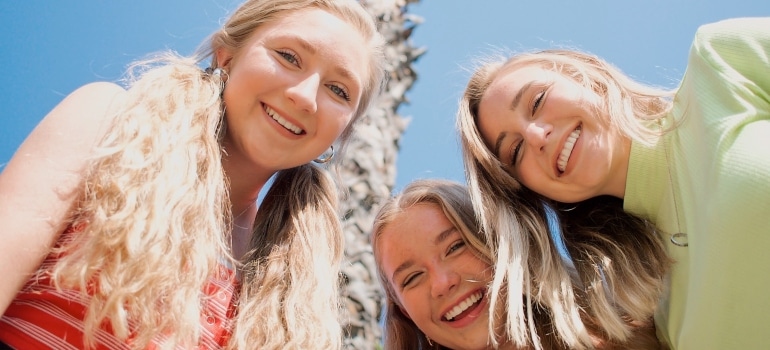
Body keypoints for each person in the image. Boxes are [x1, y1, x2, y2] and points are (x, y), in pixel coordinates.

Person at [0, 0, 385, 348]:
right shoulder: (111, 126)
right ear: (227, 57)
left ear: (343, 131)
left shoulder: (289, 282)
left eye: (338, 90)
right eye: (289, 56)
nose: (304, 95)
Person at [457, 16, 769, 349]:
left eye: (537, 101)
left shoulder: (719, 63)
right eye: (515, 151)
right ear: (534, 194)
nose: (537, 137)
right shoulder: (651, 310)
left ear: (588, 76)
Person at [371, 179, 666, 350]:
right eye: (411, 278)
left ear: (500, 245)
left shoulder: (642, 320)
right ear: (405, 313)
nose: (441, 283)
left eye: (455, 247)